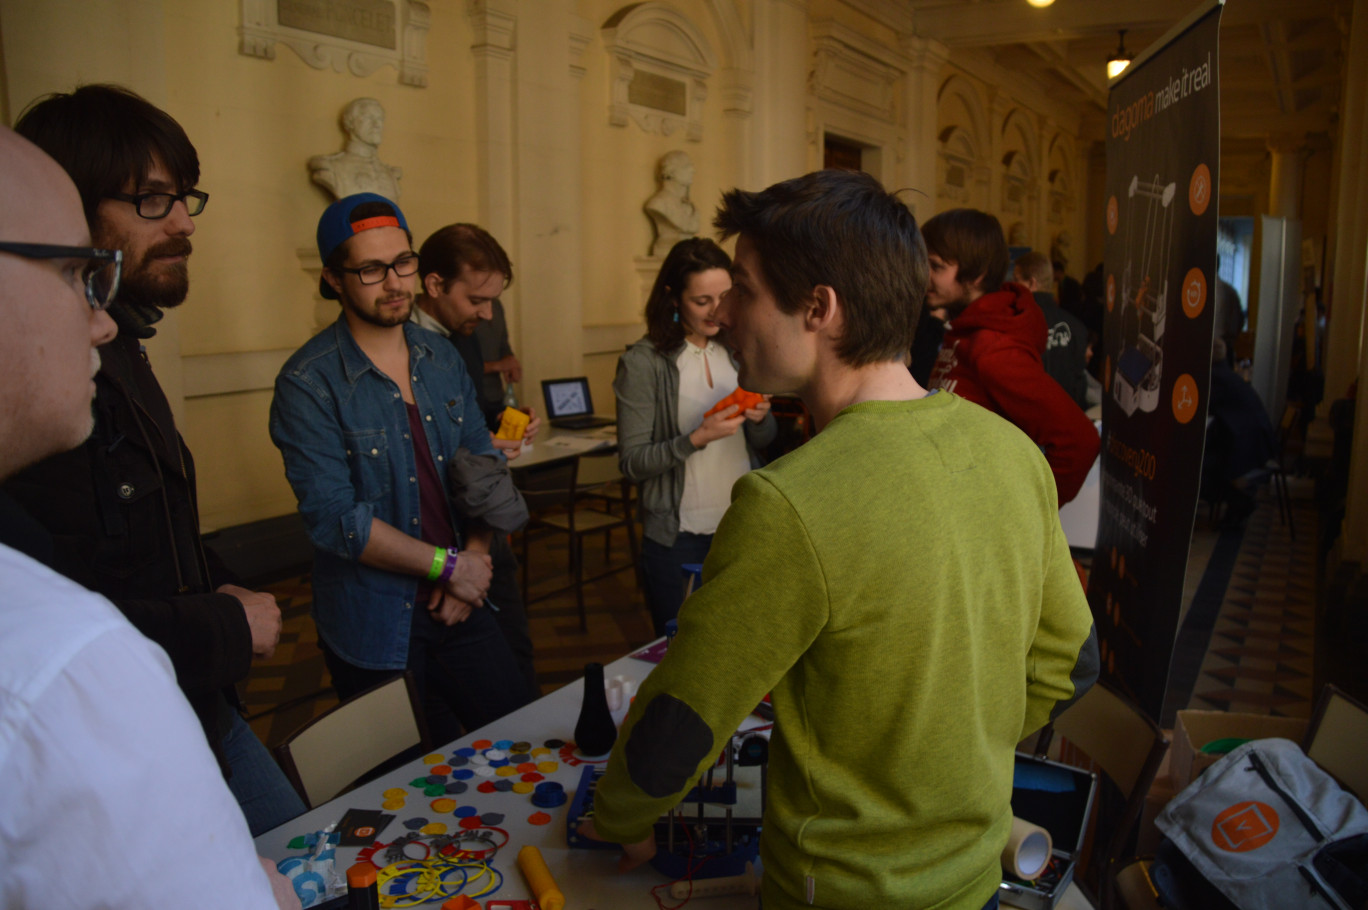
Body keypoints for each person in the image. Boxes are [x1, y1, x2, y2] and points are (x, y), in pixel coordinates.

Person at [581, 170, 1098, 910]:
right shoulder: (1009, 451)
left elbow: (683, 718)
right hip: (978, 874)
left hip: (846, 889)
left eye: (747, 290)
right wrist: (957, 748)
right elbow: (1069, 660)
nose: (725, 313)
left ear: (819, 308)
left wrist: (622, 816)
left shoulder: (788, 502)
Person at [0, 124, 298, 910]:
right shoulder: (70, 665)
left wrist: (222, 589)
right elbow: (84, 605)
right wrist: (225, 627)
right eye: (153, 200)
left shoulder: (125, 348)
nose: (186, 223)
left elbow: (155, 524)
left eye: (183, 198)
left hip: (201, 696)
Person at [270, 194, 531, 747]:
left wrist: (475, 563)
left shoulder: (442, 359)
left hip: (463, 602)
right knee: (409, 788)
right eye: (371, 268)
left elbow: (482, 468)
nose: (394, 282)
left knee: (519, 743)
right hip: (375, 622)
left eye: (403, 262)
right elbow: (336, 519)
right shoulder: (308, 383)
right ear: (335, 280)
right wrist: (448, 565)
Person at [613, 237, 776, 635]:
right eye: (701, 301)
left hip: (739, 522)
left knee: (739, 638)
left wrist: (759, 418)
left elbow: (764, 442)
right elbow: (632, 463)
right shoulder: (644, 362)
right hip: (677, 534)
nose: (717, 310)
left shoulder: (738, 349)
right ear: (672, 298)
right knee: (681, 645)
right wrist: (696, 438)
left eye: (725, 295)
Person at [411, 221, 542, 699]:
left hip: (486, 526)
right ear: (434, 284)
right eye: (477, 301)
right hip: (436, 538)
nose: (487, 315)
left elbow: (469, 414)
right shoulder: (400, 346)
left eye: (492, 301)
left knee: (515, 659)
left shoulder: (461, 334)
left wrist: (507, 419)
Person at [925, 208, 1099, 505]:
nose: (924, 275)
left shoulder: (992, 346)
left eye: (936, 266)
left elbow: (1079, 441)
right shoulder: (967, 331)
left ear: (976, 275)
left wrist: (1020, 513)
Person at [1014, 251, 1090, 410]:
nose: (1013, 286)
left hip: (1027, 425)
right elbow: (1080, 382)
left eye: (1016, 280)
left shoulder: (1014, 324)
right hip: (1070, 421)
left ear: (1031, 283)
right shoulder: (1077, 327)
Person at [309, 97, 403, 201]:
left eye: (380, 119)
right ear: (350, 123)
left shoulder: (390, 173)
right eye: (368, 117)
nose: (377, 125)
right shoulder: (332, 167)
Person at [645, 151, 702, 257]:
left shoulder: (690, 206)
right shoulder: (658, 203)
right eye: (686, 166)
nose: (693, 170)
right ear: (671, 172)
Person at [474, 298, 521, 412]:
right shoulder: (465, 310)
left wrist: (511, 362)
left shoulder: (496, 305)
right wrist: (498, 366)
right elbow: (458, 364)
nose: (488, 315)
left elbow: (503, 345)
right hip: (472, 398)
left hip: (496, 396)